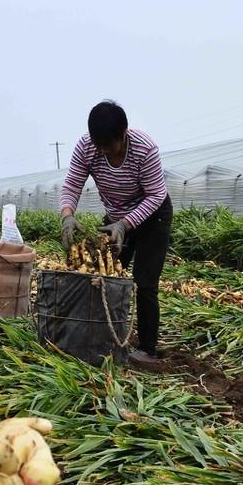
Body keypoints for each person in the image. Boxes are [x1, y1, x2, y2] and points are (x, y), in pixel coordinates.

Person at [59, 101, 172, 367]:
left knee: (145, 282)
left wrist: (125, 224)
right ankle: (104, 334)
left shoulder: (144, 148)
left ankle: (147, 350)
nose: (104, 151)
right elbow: (72, 185)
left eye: (110, 145)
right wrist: (67, 216)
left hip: (152, 216)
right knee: (105, 275)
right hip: (114, 218)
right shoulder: (87, 147)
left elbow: (156, 194)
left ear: (124, 134)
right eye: (99, 145)